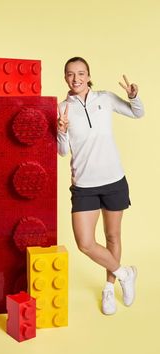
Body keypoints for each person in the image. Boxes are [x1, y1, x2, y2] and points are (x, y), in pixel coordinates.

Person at [57, 57, 144, 315]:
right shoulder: (62, 108)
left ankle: (109, 287)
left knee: (112, 236)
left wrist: (134, 96)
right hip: (84, 185)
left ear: (88, 75)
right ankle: (125, 273)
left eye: (81, 73)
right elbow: (62, 152)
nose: (76, 79)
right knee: (85, 242)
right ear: (65, 78)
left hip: (114, 180)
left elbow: (137, 112)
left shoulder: (105, 99)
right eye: (71, 74)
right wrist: (61, 130)